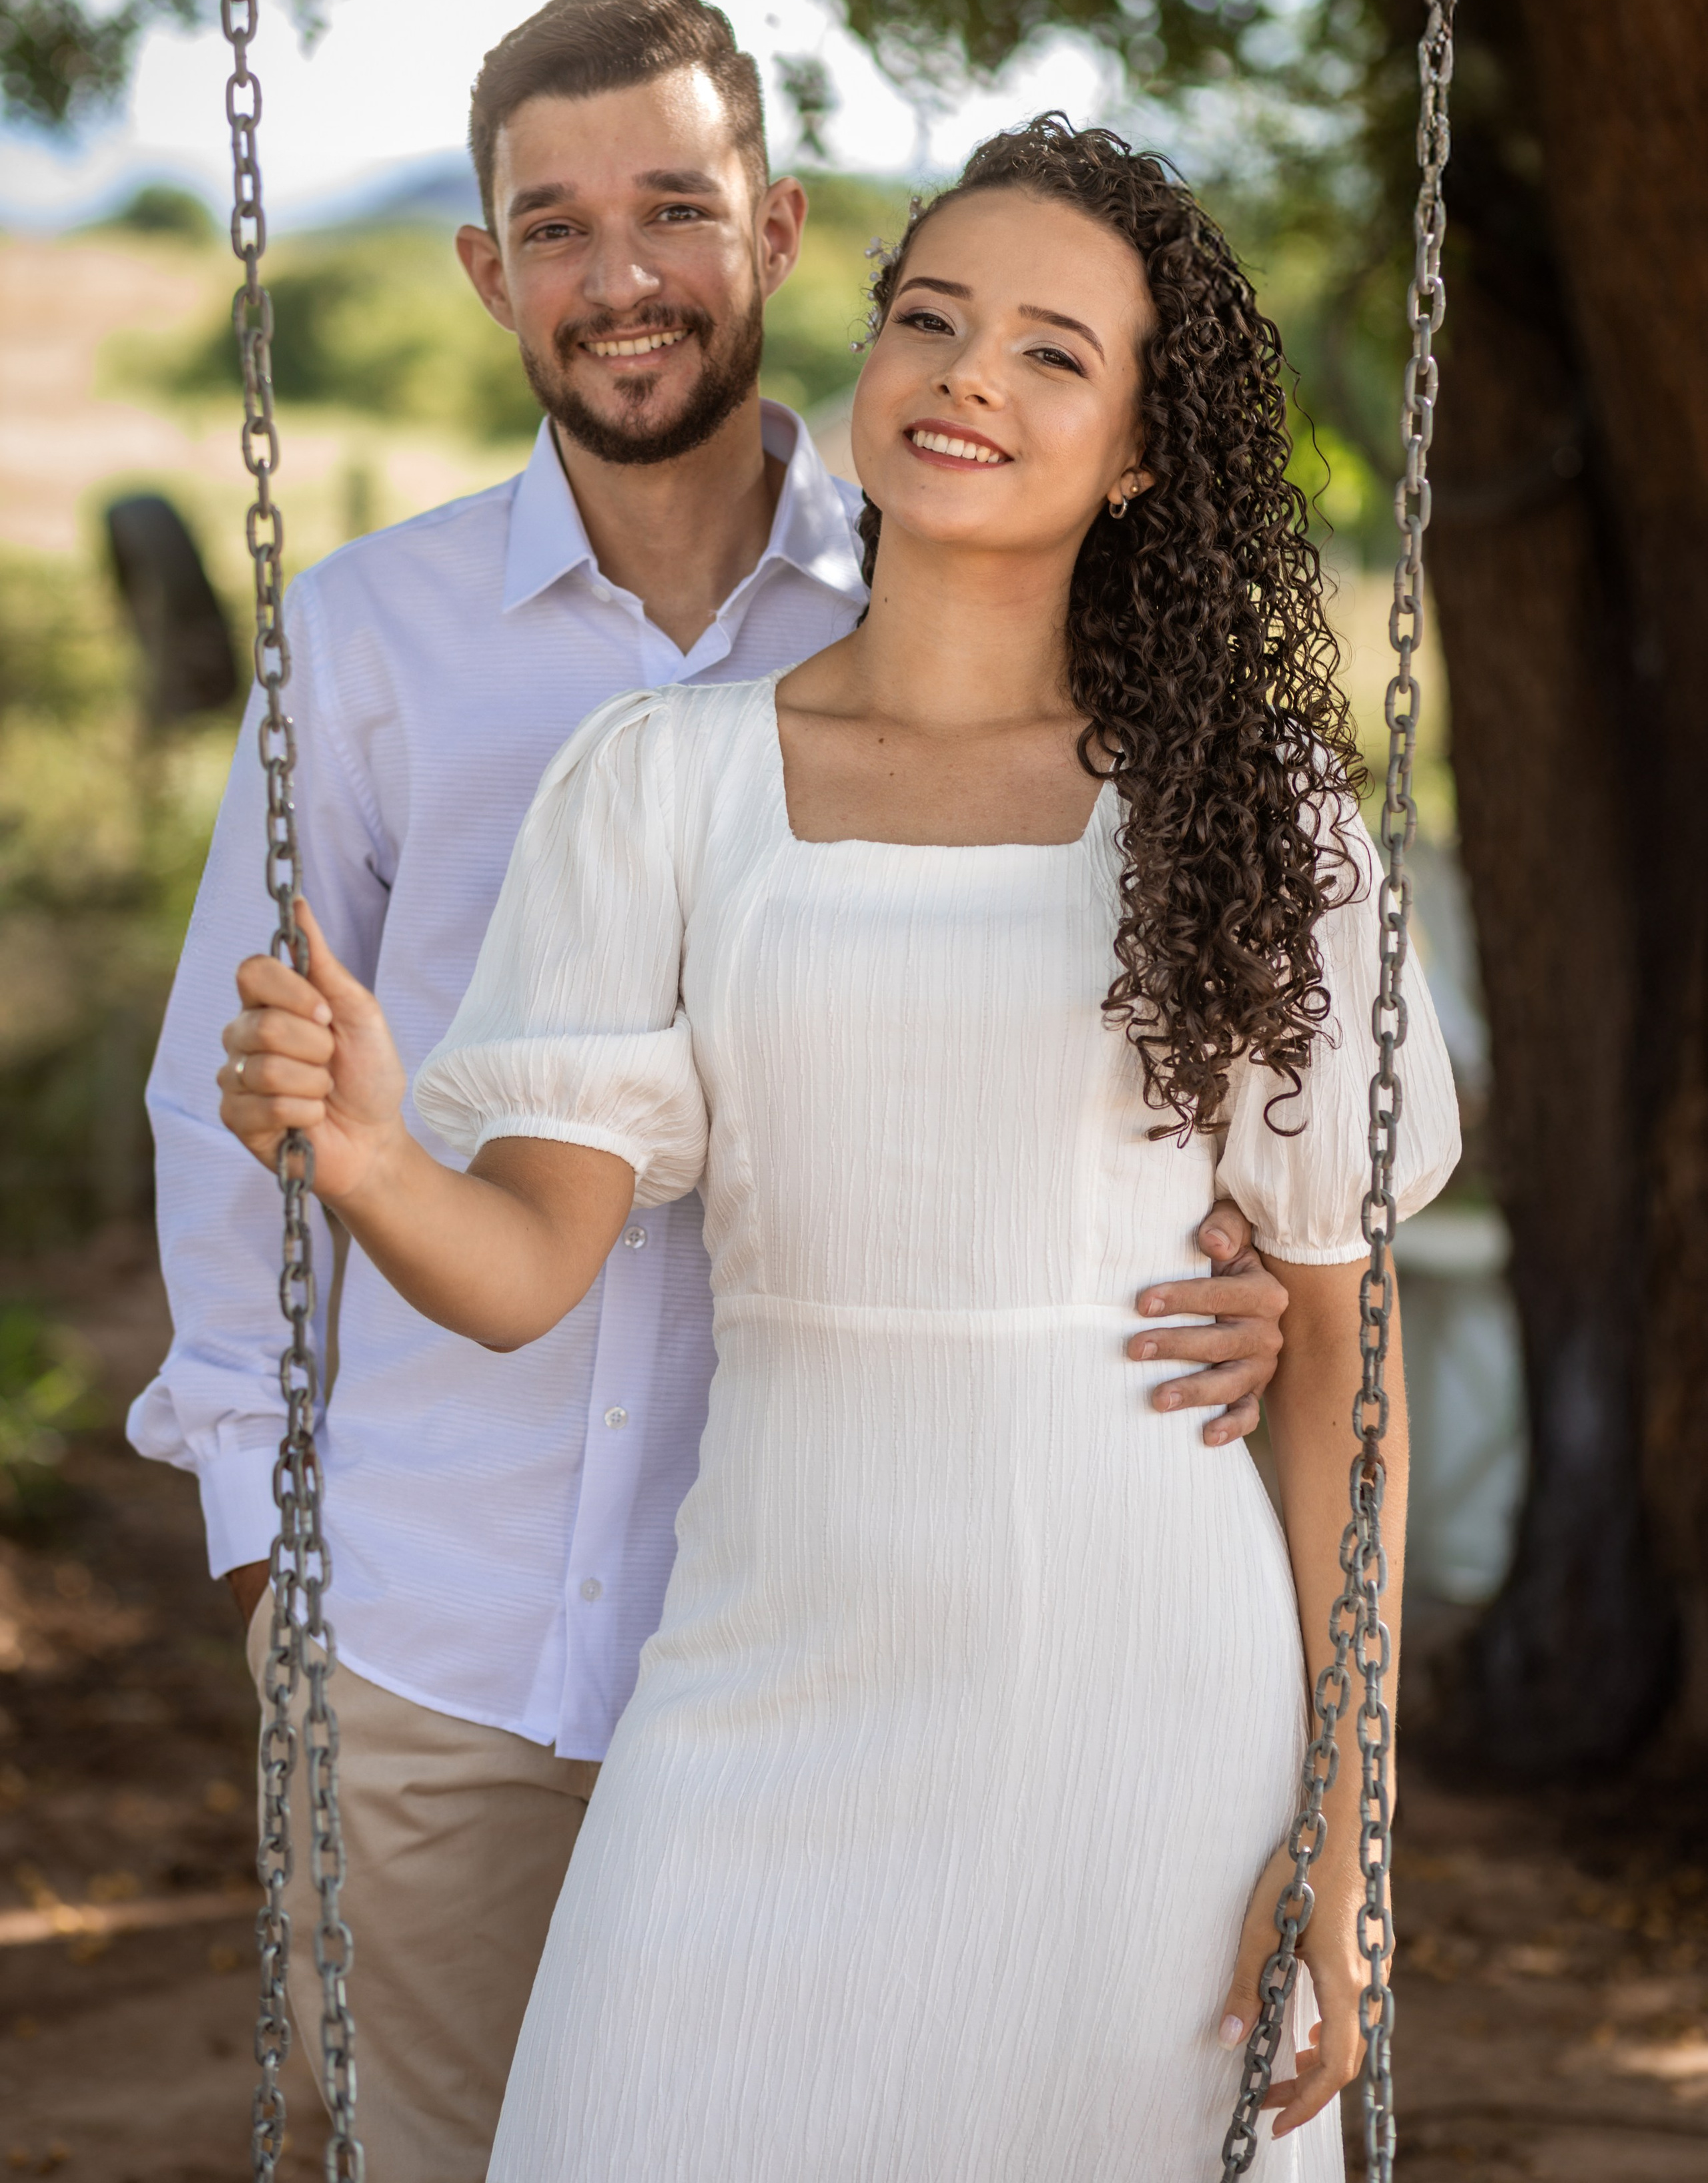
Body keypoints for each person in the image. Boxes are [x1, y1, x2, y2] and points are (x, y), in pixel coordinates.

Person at [218, 113, 1460, 2178]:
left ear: (1146, 450)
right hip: (768, 1658)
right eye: (932, 319)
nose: (970, 375)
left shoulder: (1255, 835)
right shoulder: (666, 783)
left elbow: (1339, 1364)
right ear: (866, 361)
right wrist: (361, 1157)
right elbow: (531, 1263)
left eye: (1055, 352)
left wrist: (1347, 1836)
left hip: (1140, 1685)